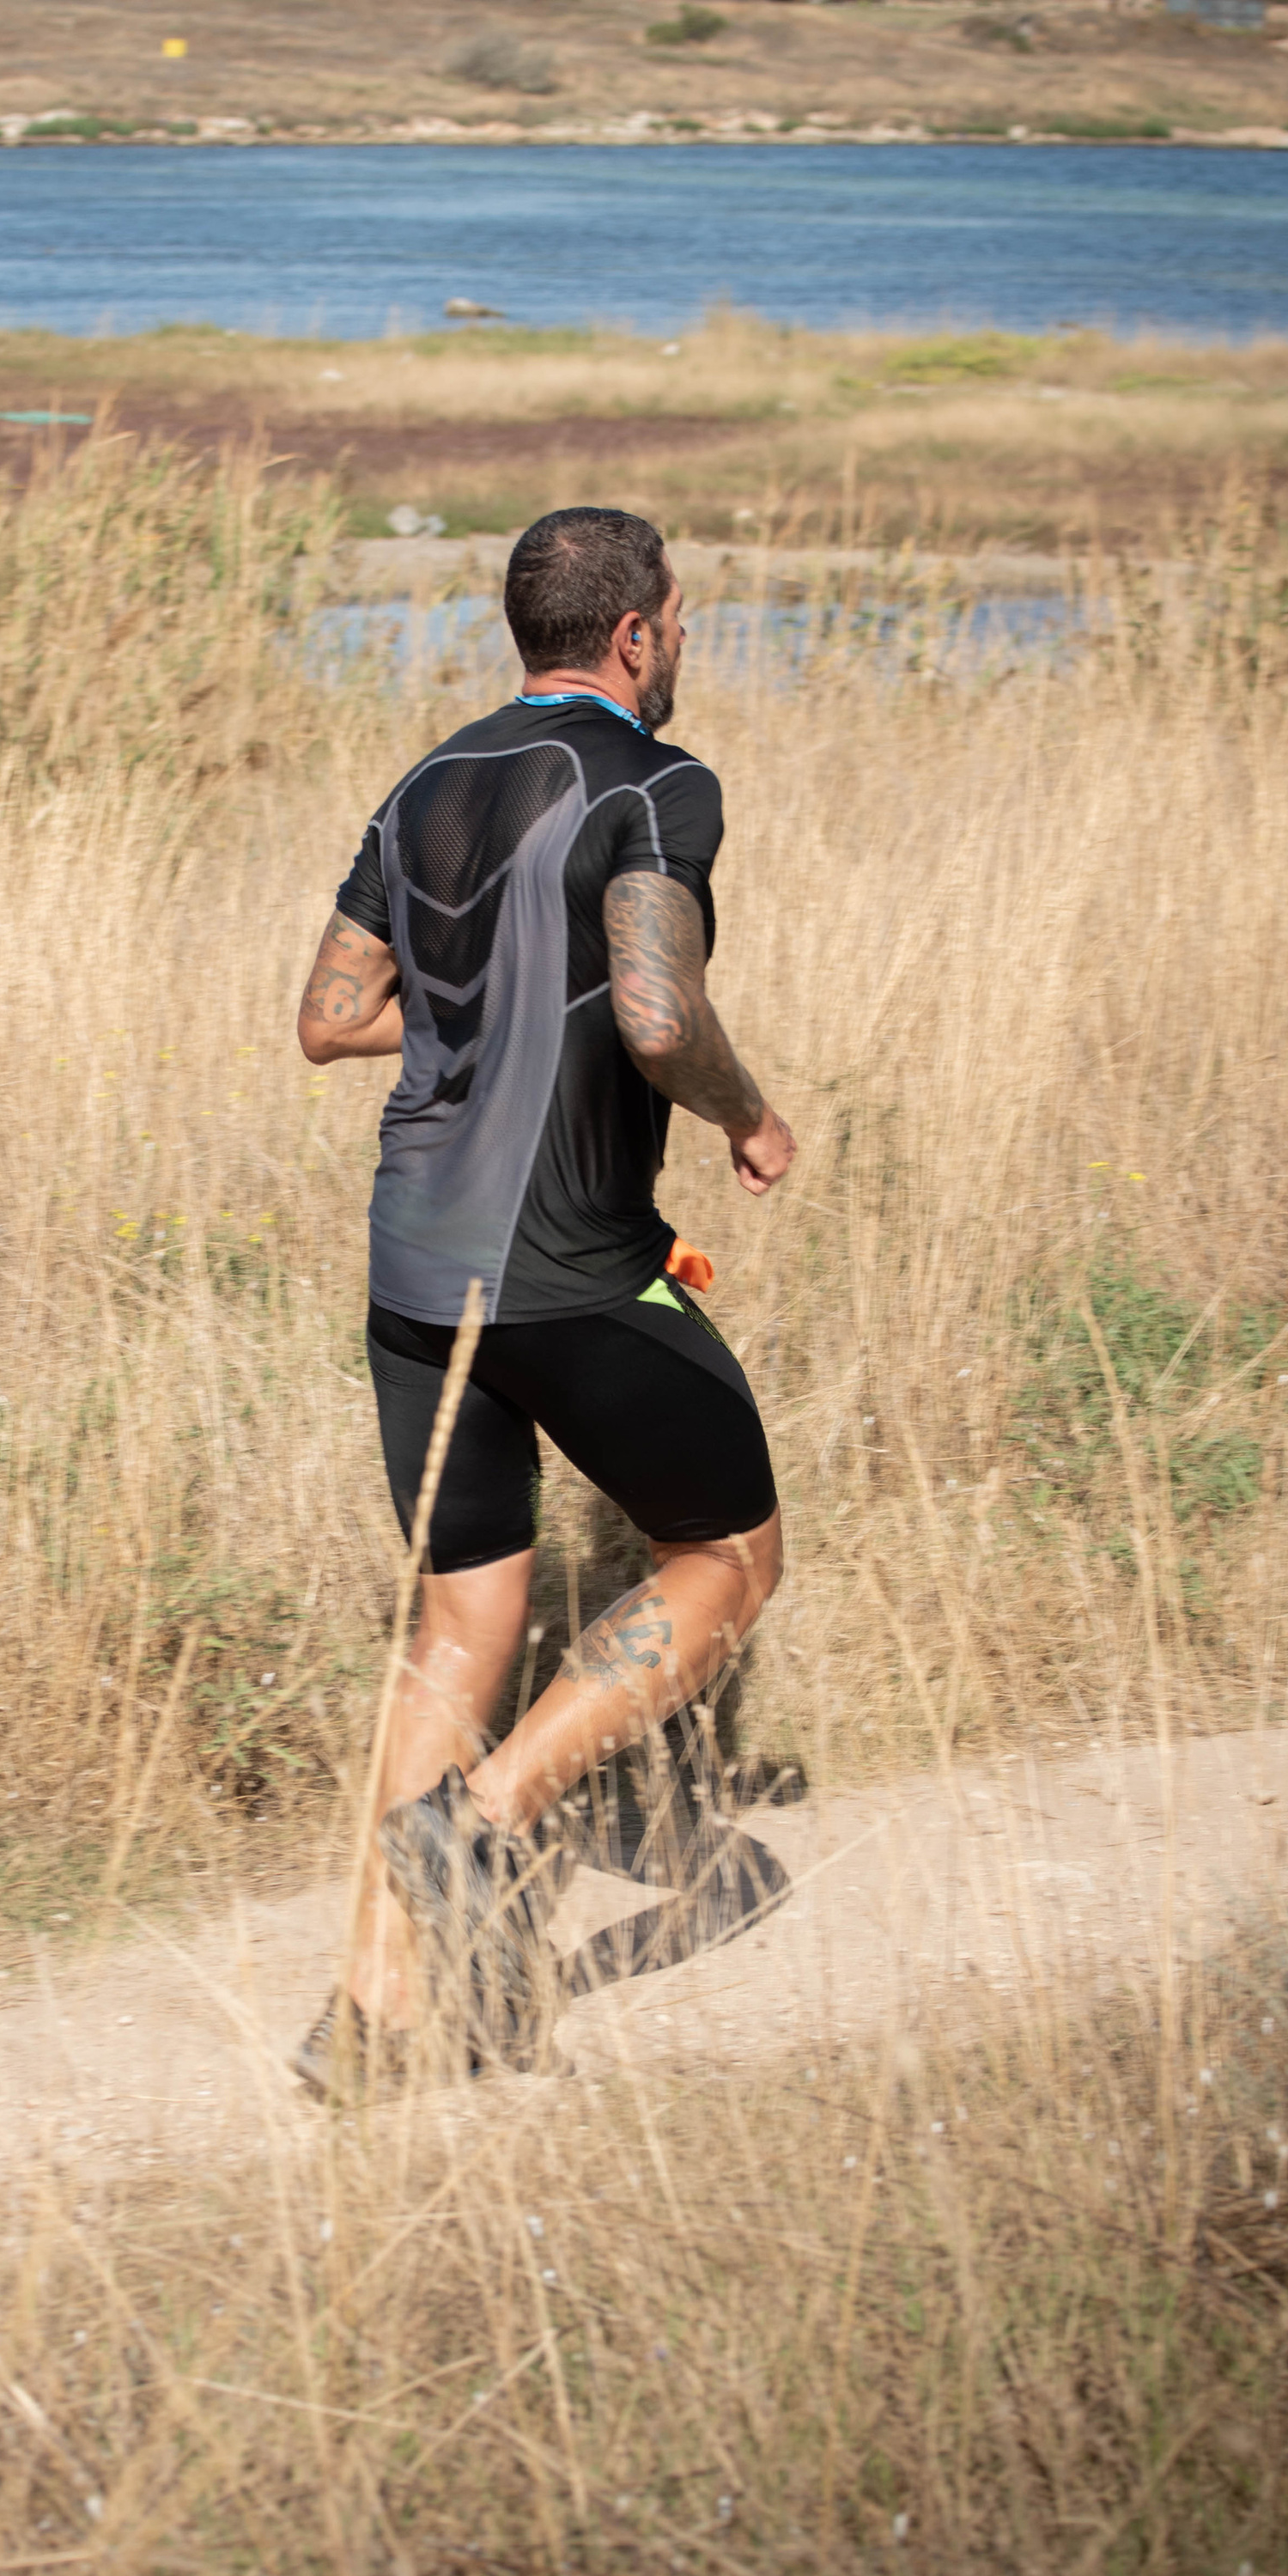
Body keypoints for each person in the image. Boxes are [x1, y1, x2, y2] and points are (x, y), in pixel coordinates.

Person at [292, 504, 795, 2090]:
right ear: (637, 631)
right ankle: (492, 1819)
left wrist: (480, 1028)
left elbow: (327, 1015)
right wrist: (746, 1114)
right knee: (726, 1557)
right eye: (682, 622)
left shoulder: (424, 782)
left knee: (461, 1627)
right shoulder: (661, 782)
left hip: (408, 1272)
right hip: (569, 1264)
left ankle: (367, 2020)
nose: (684, 646)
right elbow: (656, 1010)